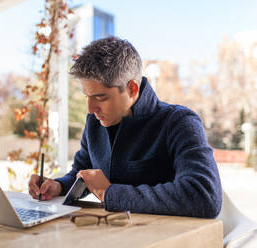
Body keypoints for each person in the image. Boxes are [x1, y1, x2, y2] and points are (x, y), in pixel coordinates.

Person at [28, 36, 222, 218]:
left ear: (132, 89)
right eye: (87, 96)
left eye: (100, 97)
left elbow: (204, 197)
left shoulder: (179, 122)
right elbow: (83, 173)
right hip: (112, 234)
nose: (90, 109)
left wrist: (109, 193)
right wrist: (59, 186)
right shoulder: (95, 122)